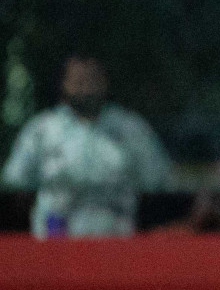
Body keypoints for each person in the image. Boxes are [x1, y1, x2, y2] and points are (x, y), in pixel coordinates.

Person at [2, 54, 170, 237]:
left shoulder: (131, 128)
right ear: (64, 84)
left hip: (116, 242)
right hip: (54, 242)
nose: (86, 87)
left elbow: (157, 183)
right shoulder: (41, 130)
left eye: (92, 79)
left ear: (105, 81)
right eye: (78, 80)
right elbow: (16, 184)